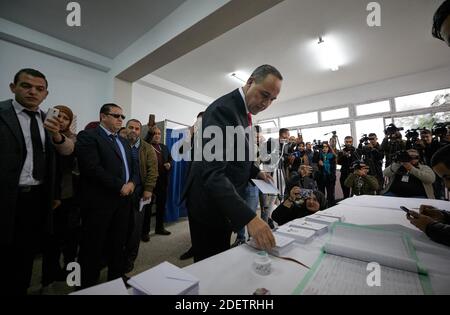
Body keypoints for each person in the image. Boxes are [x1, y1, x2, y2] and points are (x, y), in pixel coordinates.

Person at [184, 65, 280, 262]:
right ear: (250, 81)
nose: (266, 103)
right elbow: (213, 173)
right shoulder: (224, 110)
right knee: (211, 264)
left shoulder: (242, 111)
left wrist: (256, 171)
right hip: (209, 205)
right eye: (264, 95)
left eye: (272, 99)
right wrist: (249, 218)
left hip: (223, 202)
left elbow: (236, 155)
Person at [0, 68, 74, 294]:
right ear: (13, 88)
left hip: (36, 198)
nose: (33, 91)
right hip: (5, 196)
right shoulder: (2, 113)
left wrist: (57, 136)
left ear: (46, 94)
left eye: (39, 89)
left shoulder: (48, 120)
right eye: (26, 86)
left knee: (25, 254)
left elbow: (68, 150)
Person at [76, 103, 138, 288]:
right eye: (116, 115)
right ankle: (86, 283)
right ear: (103, 116)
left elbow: (133, 168)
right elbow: (92, 168)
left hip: (124, 201)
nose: (120, 119)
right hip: (100, 202)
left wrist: (133, 183)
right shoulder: (89, 136)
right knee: (92, 245)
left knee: (118, 242)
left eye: (122, 116)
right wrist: (121, 186)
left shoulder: (122, 141)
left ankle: (116, 277)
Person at [41, 105, 80, 290]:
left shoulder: (73, 139)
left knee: (71, 240)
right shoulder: (40, 137)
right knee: (51, 242)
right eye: (59, 116)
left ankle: (72, 276)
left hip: (70, 197)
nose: (61, 120)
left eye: (66, 118)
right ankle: (48, 278)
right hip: (48, 197)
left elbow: (69, 150)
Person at [124, 119, 158, 273]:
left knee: (135, 229)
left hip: (138, 193)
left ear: (140, 131)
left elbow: (152, 170)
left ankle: (129, 260)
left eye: (137, 129)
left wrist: (148, 189)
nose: (134, 131)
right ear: (126, 129)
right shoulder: (119, 144)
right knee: (119, 229)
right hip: (120, 192)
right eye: (131, 127)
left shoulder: (147, 148)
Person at [407, 145, 450, 247]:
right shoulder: (398, 166)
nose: (447, 186)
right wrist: (444, 216)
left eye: (448, 178)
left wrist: (430, 226)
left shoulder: (425, 168)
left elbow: (429, 179)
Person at [142, 126, 172, 238]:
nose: (157, 135)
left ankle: (159, 228)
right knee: (147, 208)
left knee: (161, 206)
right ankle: (144, 232)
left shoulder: (163, 147)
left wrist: (169, 164)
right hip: (149, 182)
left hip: (162, 181)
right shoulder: (145, 146)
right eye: (155, 133)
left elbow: (170, 159)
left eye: (159, 133)